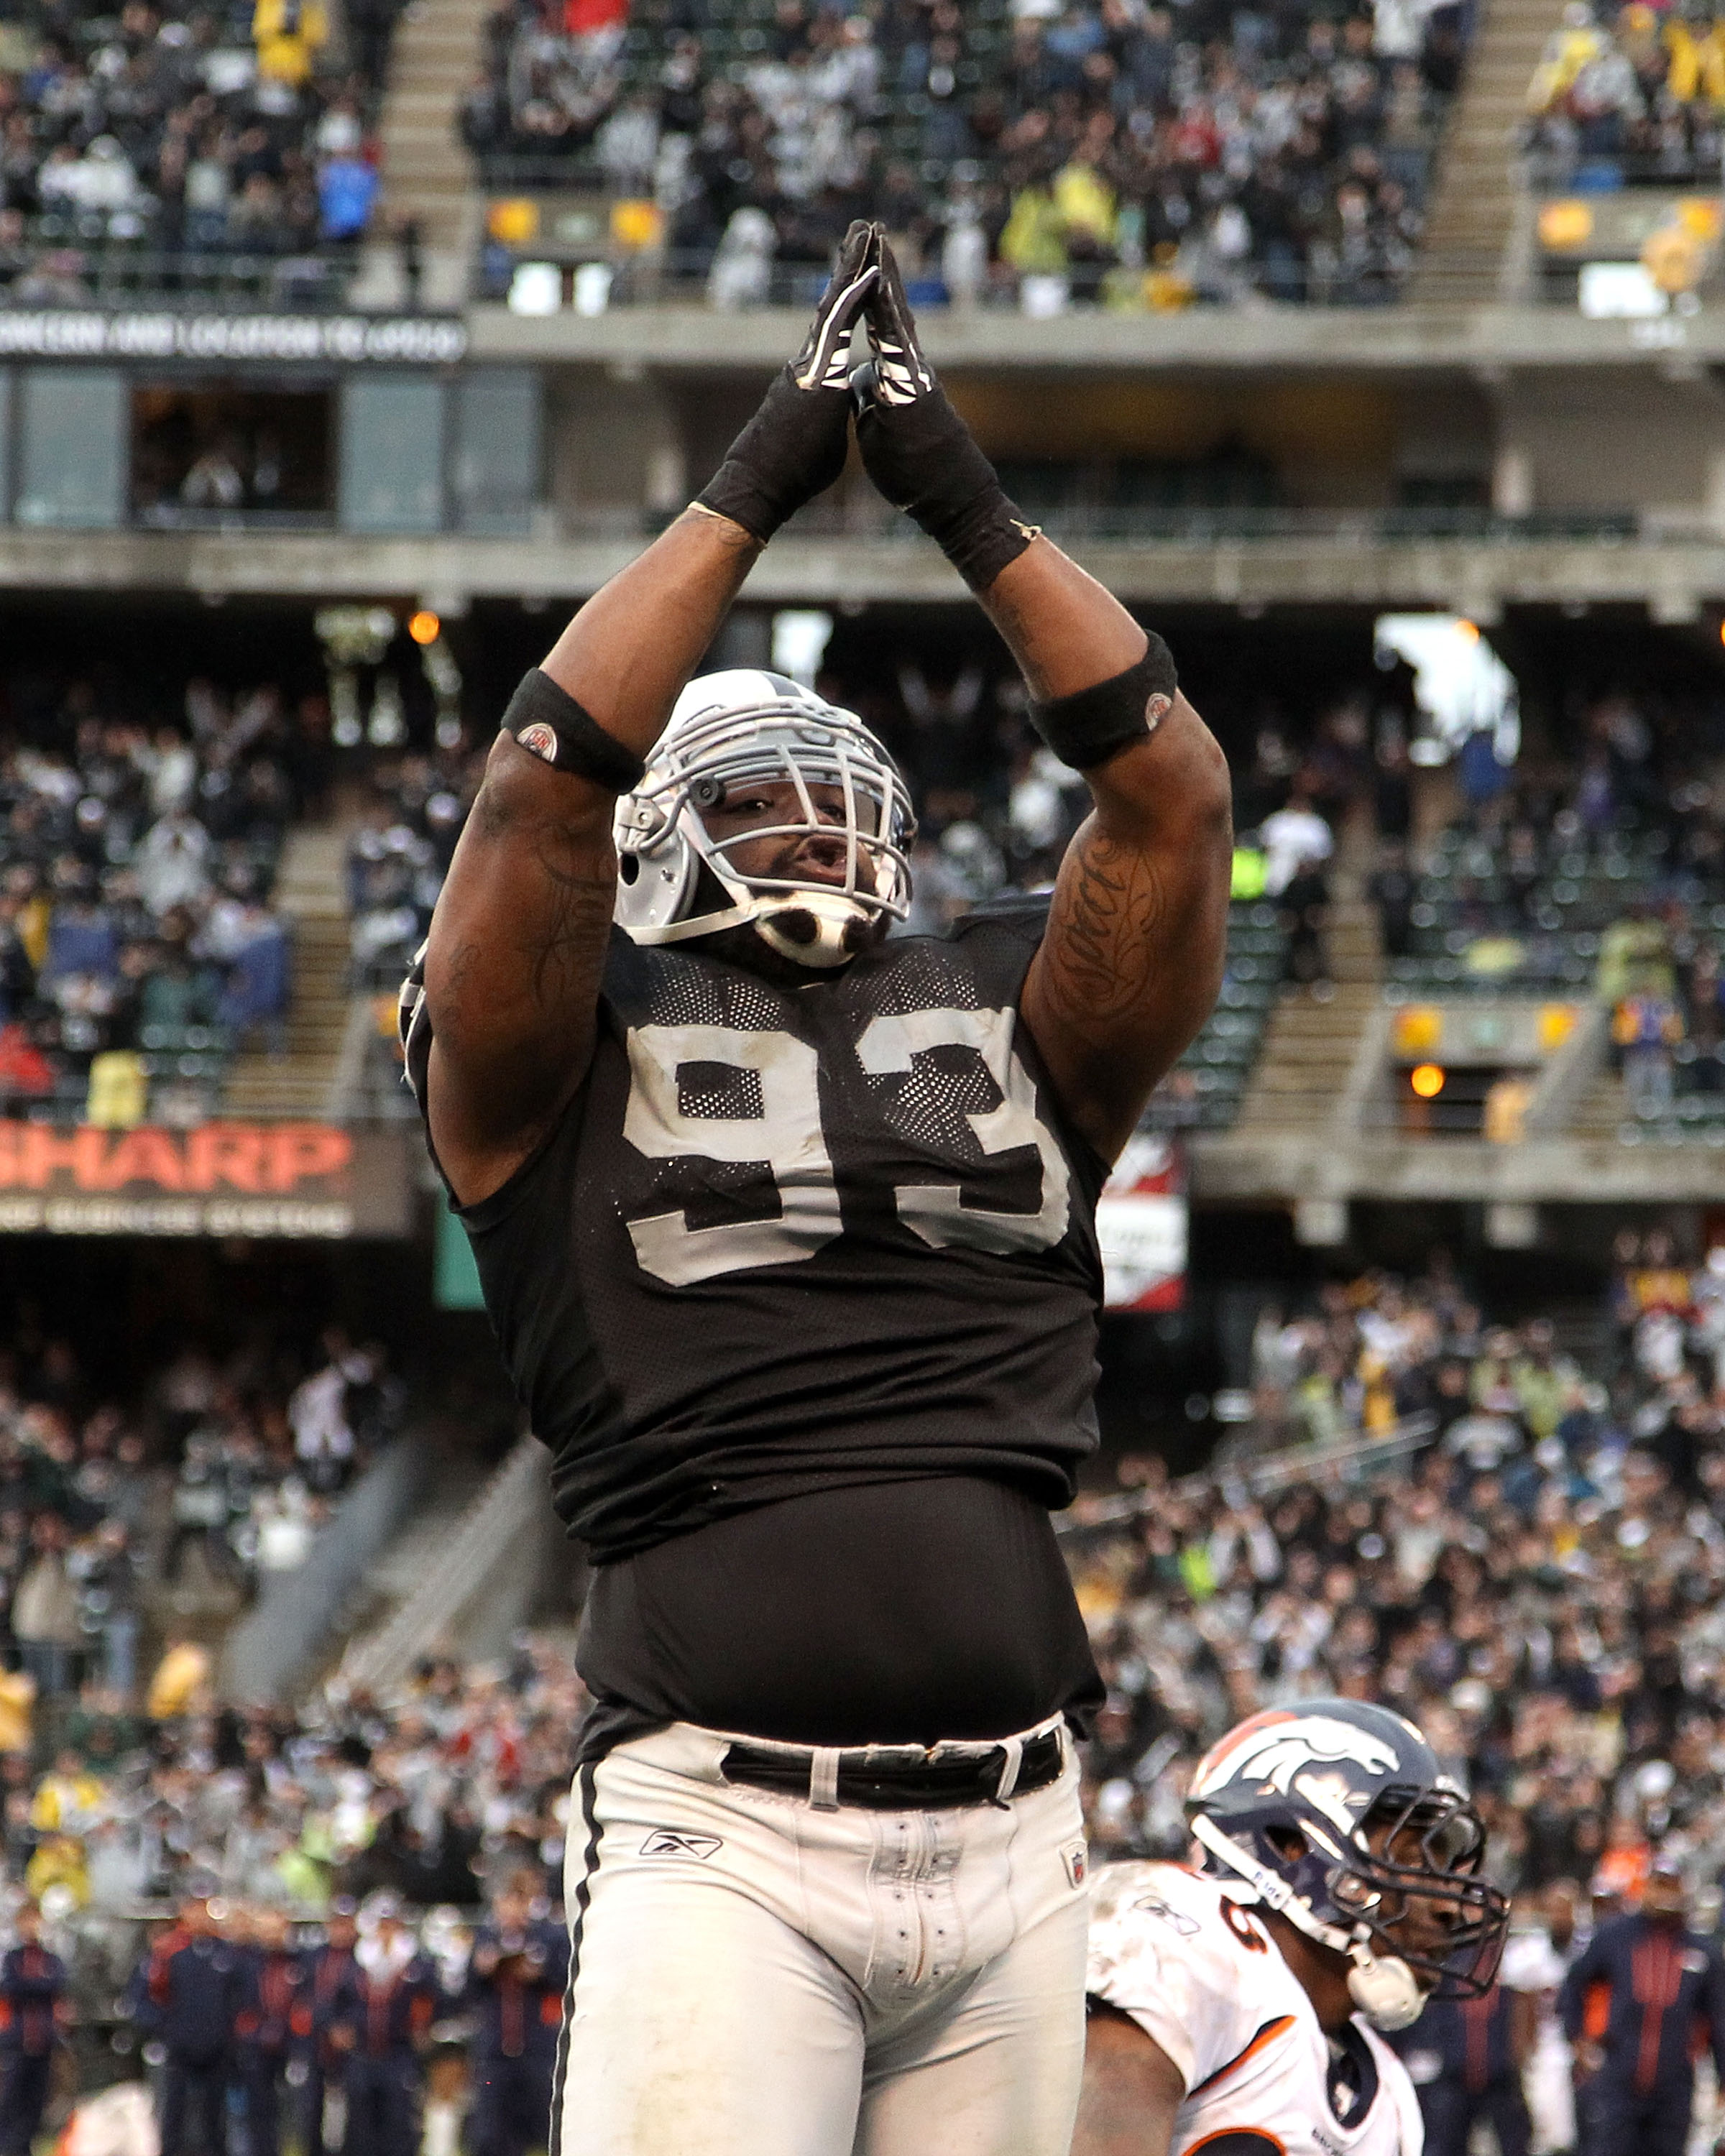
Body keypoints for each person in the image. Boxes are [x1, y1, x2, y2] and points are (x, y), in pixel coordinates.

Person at [402, 220, 1232, 2156]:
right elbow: (538, 775)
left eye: (825, 785)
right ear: (663, 840)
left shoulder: (1006, 1014)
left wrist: (957, 491)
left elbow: (1173, 793)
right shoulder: (551, 1042)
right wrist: (760, 481)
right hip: (728, 1833)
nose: (809, 819)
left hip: (1025, 1827)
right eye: (754, 797)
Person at [1075, 1700, 1509, 2156]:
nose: (1449, 1907)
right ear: (1293, 1845)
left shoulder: (1387, 2102)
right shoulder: (1189, 1938)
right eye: (1414, 1860)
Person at [1559, 1850, 1725, 2156]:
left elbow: (1719, 2017)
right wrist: (1577, 2037)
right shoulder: (1616, 1936)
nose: (1665, 1894)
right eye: (1659, 1884)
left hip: (1674, 2079)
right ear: (1646, 1887)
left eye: (1671, 1886)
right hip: (1619, 2073)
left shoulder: (1702, 1951)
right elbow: (1573, 1984)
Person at [124, 1892, 242, 2156]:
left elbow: (241, 1998)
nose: (200, 1915)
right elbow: (142, 1997)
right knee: (173, 2114)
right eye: (194, 1908)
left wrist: (229, 2034)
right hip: (179, 2049)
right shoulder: (169, 1950)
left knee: (215, 2118)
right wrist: (165, 2029)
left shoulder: (226, 1953)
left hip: (217, 2048)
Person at [465, 1871, 571, 2156]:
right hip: (495, 2051)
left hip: (535, 2047)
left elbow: (565, 1978)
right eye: (506, 1902)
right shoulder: (486, 1937)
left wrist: (539, 1973)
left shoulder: (548, 1937)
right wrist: (481, 1969)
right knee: (492, 2128)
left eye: (518, 1902)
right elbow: (466, 1990)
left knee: (540, 2125)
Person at [334, 1893, 438, 2156]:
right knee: (361, 2126)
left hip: (399, 2052)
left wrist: (421, 2025)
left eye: (392, 1924)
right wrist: (341, 2026)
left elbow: (432, 1997)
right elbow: (338, 2001)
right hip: (362, 2052)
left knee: (399, 2123)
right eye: (382, 1924)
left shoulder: (416, 1961)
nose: (387, 1931)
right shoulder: (357, 1960)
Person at [1395, 1977, 1535, 2156]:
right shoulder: (1448, 1988)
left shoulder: (1506, 1987)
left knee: (1515, 2143)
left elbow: (1523, 2017)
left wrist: (1518, 2056)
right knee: (1446, 2143)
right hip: (1455, 2077)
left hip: (1499, 2078)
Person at [235, 1904, 308, 2156]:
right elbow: (239, 2003)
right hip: (256, 2046)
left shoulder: (299, 1962)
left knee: (298, 2111)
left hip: (291, 2045)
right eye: (266, 1930)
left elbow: (305, 2003)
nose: (271, 1936)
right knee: (257, 2111)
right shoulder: (248, 1963)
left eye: (277, 1930)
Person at [0, 1902, 68, 2156]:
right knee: (10, 2100)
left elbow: (57, 1983)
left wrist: (33, 1987)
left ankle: (26, 2147)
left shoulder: (50, 1958)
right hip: (17, 2041)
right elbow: (11, 1986)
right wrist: (36, 1986)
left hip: (43, 2041)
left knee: (36, 2102)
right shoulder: (13, 1957)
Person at [296, 1898, 359, 2156]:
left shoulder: (361, 1956)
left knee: (351, 2110)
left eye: (346, 1923)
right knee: (312, 2109)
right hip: (316, 2041)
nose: (341, 1930)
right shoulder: (314, 1956)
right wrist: (327, 2024)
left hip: (353, 2042)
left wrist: (348, 2026)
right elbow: (307, 1996)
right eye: (337, 1923)